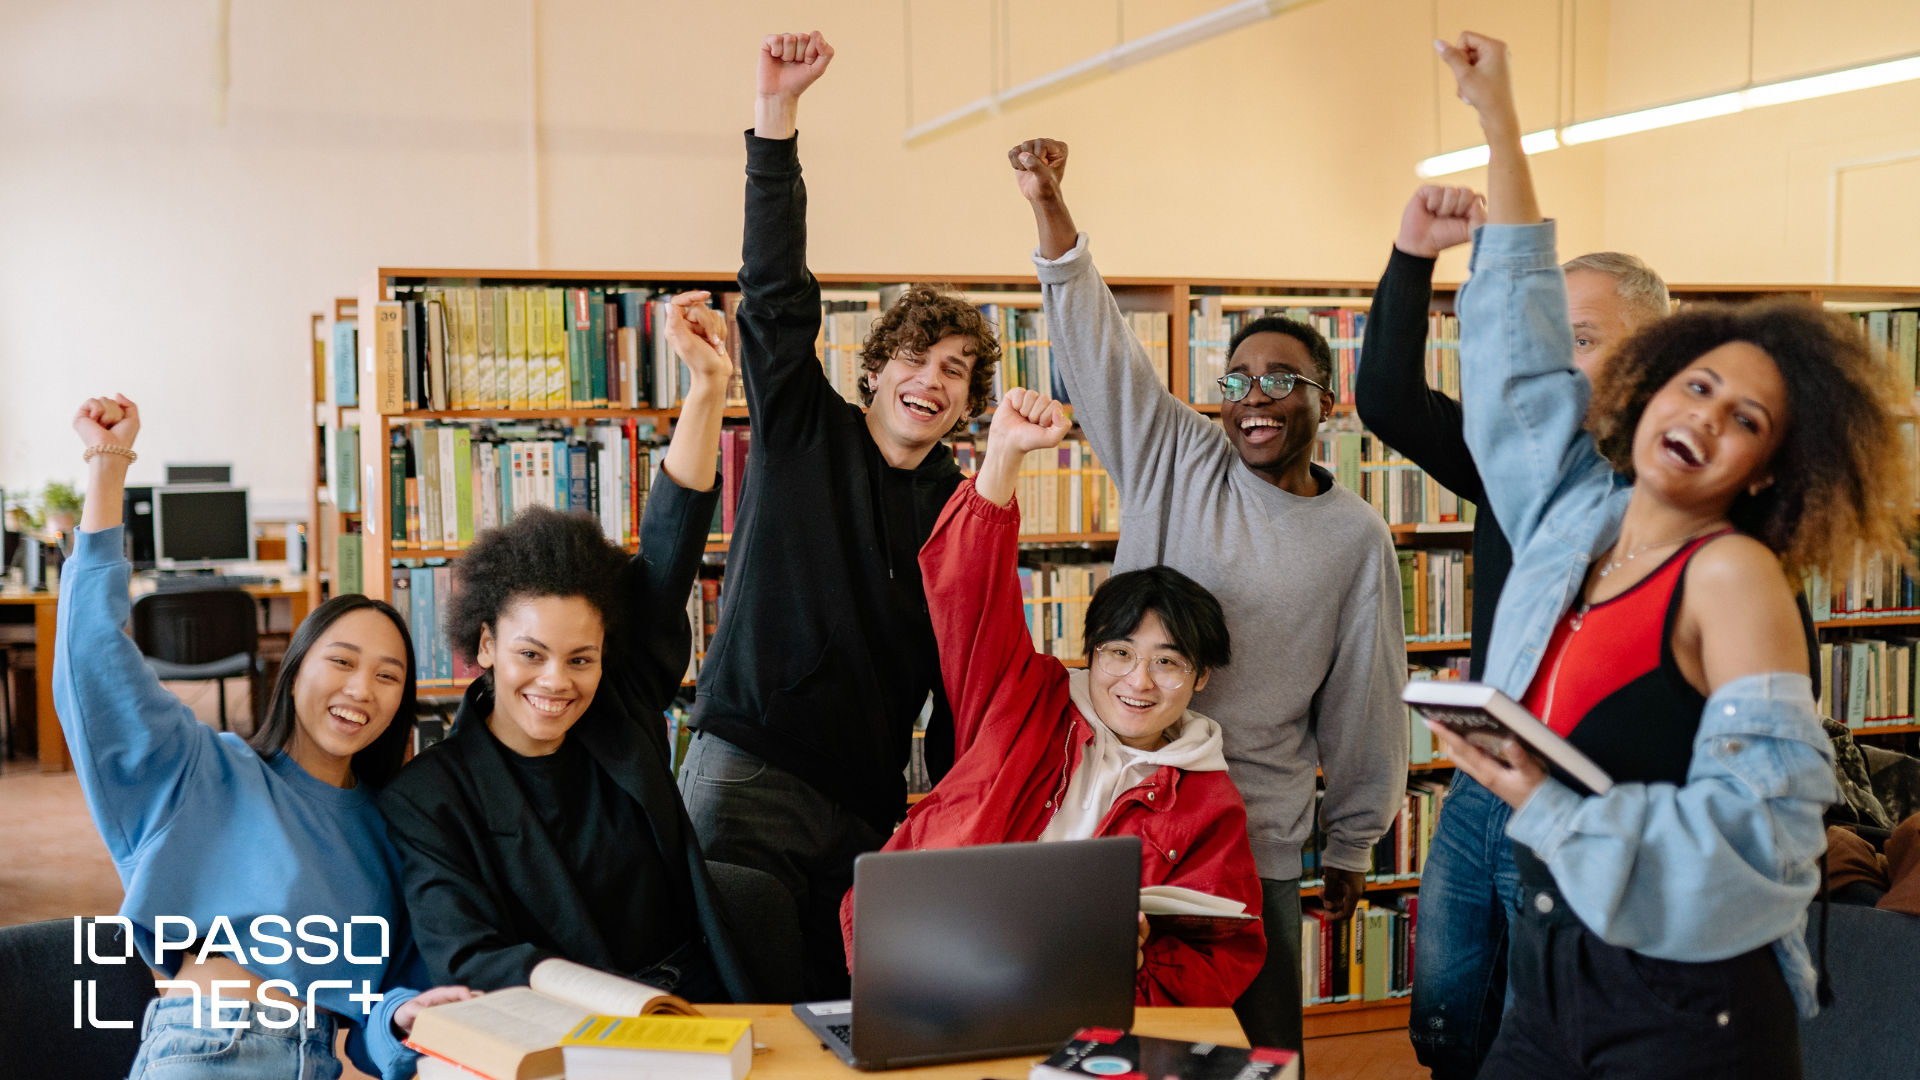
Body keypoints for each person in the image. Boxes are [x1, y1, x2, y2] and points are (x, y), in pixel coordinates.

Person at [1428, 30, 1910, 1079]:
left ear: (1770, 471)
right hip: (1555, 968)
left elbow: (1768, 850)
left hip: (1684, 1004)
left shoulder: (1733, 576)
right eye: (1697, 384)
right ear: (1648, 390)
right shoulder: (1572, 516)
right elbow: (1516, 346)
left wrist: (1543, 802)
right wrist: (1501, 121)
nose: (1706, 415)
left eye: (1747, 417)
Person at [1009, 139, 1408, 1054]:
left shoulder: (1355, 536)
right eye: (1236, 380)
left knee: (1254, 1055)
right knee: (1096, 1047)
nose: (1253, 398)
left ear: (1327, 399)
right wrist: (1050, 207)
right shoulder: (1176, 456)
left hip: (1251, 835)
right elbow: (1098, 348)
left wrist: (1350, 843)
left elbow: (1365, 695)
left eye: (1280, 379)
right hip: (1126, 812)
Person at [677, 30, 1003, 1000]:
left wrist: (948, 812)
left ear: (966, 402)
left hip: (868, 807)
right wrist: (776, 120)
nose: (931, 380)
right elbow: (775, 293)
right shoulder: (803, 428)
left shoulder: (958, 507)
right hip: (748, 773)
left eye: (955, 371)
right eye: (916, 358)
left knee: (847, 1018)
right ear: (874, 370)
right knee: (728, 1004)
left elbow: (964, 674)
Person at [57, 394, 475, 1080]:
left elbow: (379, 1018)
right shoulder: (199, 772)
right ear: (294, 668)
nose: (360, 690)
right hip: (211, 1047)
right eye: (340, 661)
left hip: (317, 1064)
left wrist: (401, 1015)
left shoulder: (393, 830)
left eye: (388, 676)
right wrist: (107, 466)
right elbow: (91, 658)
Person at [1353, 189, 1670, 1076]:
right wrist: (1416, 250)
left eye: (1583, 338)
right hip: (1482, 787)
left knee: (1542, 1032)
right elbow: (1384, 397)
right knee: (1446, 1021)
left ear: (1650, 353)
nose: (1557, 365)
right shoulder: (1513, 466)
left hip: (1585, 798)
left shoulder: (1685, 499)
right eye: (1546, 340)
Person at [379, 292, 755, 1003]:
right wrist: (617, 998)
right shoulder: (428, 796)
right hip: (564, 1018)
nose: (557, 682)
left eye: (580, 658)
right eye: (531, 654)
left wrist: (708, 389)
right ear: (484, 644)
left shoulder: (622, 708)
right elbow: (465, 951)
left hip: (703, 995)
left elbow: (669, 551)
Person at [838, 387, 1265, 1005]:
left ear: (1201, 678)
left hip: (1080, 1006)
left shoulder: (1209, 799)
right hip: (935, 967)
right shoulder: (1022, 700)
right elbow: (971, 591)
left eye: (1168, 663)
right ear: (1090, 653)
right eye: (1119, 654)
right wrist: (1005, 453)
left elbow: (1222, 952)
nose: (1138, 682)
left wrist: (1131, 974)